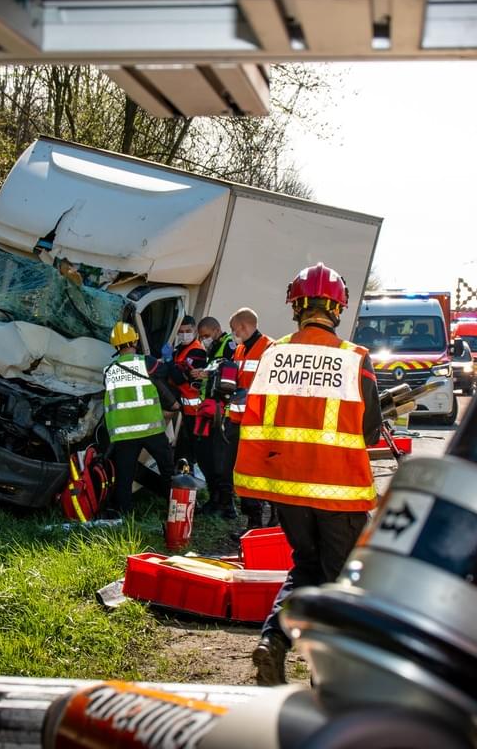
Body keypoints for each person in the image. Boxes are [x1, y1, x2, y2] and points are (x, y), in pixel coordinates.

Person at [233, 263, 382, 686]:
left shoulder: (273, 355)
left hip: (287, 491)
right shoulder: (355, 359)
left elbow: (258, 417)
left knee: (306, 567)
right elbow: (368, 429)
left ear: (296, 305)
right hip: (339, 493)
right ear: (337, 307)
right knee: (343, 578)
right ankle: (328, 676)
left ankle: (274, 640)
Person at [101, 321, 177, 518]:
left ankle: (124, 514)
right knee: (168, 468)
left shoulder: (108, 370)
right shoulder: (146, 362)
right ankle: (175, 507)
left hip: (124, 433)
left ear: (115, 346)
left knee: (124, 476)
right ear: (135, 340)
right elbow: (163, 374)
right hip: (151, 429)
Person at [225, 307, 273, 529]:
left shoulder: (270, 349)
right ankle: (252, 524)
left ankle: (270, 521)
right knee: (243, 474)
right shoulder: (240, 350)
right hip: (238, 421)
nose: (234, 335)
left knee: (261, 474)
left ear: (243, 327)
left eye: (235, 330)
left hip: (259, 424)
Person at [192, 316, 236, 517]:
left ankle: (225, 505)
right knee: (204, 456)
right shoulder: (212, 348)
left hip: (221, 412)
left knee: (219, 460)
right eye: (201, 337)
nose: (203, 340)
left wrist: (207, 373)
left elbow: (229, 371)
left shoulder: (229, 345)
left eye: (206, 336)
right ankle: (215, 499)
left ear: (217, 330)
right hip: (209, 410)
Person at [168, 315, 207, 471]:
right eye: (181, 331)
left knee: (190, 446)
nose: (184, 334)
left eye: (188, 331)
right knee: (183, 444)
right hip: (184, 405)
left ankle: (190, 477)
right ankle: (180, 474)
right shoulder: (180, 349)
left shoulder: (197, 351)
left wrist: (168, 362)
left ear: (194, 330)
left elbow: (178, 378)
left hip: (194, 408)